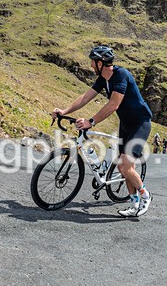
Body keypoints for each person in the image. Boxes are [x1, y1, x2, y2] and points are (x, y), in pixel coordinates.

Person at [52, 45, 153, 218]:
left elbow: (114, 104)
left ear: (100, 63)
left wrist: (91, 122)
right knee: (126, 167)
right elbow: (85, 97)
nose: (91, 65)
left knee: (123, 166)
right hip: (126, 124)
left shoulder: (121, 75)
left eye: (92, 61)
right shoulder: (102, 80)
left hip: (140, 123)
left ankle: (145, 196)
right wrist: (64, 111)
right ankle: (134, 203)